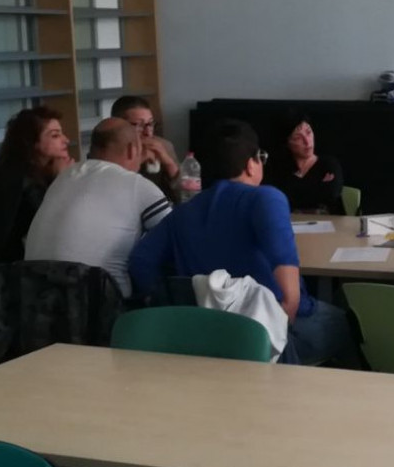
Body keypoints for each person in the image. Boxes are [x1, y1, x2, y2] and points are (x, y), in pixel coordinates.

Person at [128, 119, 357, 365]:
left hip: (205, 332)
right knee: (347, 325)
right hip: (266, 332)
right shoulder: (266, 199)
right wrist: (274, 338)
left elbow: (140, 263)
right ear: (251, 164)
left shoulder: (184, 211)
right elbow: (290, 296)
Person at [24, 118, 172, 297]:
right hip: (99, 308)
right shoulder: (137, 186)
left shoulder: (63, 177)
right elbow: (177, 241)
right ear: (133, 150)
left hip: (35, 306)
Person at [0, 106, 72, 292]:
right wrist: (61, 182)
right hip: (6, 279)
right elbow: (49, 224)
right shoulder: (18, 179)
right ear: (31, 143)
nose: (66, 140)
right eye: (55, 135)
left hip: (1, 269)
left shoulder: (17, 170)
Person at [266, 113, 344, 214]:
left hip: (330, 223)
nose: (307, 142)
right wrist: (317, 188)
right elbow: (274, 199)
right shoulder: (278, 167)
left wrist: (294, 192)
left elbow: (331, 194)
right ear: (287, 143)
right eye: (298, 138)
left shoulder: (329, 164)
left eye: (308, 132)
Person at [112, 96, 181, 202]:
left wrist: (169, 163)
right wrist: (137, 162)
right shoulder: (109, 151)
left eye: (150, 123)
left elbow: (187, 197)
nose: (148, 132)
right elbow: (112, 195)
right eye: (139, 125)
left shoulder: (164, 146)